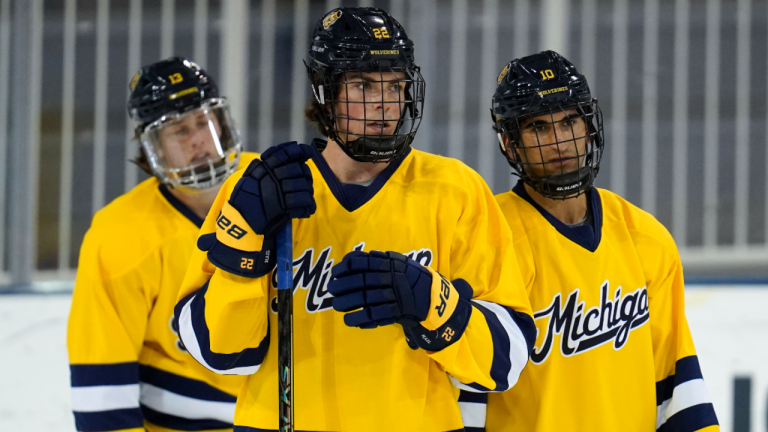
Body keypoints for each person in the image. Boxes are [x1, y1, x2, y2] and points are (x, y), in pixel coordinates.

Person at [173, 7, 535, 432]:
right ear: (326, 92)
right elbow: (219, 354)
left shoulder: (455, 189)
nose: (384, 103)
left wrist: (433, 302)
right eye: (363, 85)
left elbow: (505, 363)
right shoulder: (262, 187)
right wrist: (244, 248)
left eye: (395, 85)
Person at [478, 51, 719, 432]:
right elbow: (468, 392)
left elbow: (676, 387)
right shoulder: (487, 237)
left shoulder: (645, 237)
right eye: (538, 127)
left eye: (570, 121)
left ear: (589, 125)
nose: (559, 140)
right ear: (511, 143)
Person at [67, 57, 257, 432]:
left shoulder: (275, 185)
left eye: (204, 121)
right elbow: (102, 390)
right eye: (178, 130)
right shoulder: (119, 233)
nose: (198, 139)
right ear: (153, 145)